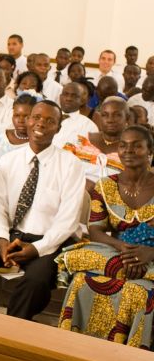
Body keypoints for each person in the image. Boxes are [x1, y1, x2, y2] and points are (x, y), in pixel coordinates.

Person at [0, 101, 86, 320]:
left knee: (35, 282)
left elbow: (67, 221)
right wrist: (1, 240)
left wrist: (36, 248)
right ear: (28, 121)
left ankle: (13, 328)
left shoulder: (70, 165)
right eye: (36, 117)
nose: (41, 124)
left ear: (58, 128)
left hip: (50, 241)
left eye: (50, 121)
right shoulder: (9, 161)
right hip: (11, 235)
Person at [58, 126, 154, 349]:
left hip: (150, 255)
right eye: (123, 145)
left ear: (150, 151)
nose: (128, 150)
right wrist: (124, 249)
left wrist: (149, 253)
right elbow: (96, 230)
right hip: (118, 253)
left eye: (137, 146)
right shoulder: (105, 185)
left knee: (139, 291)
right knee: (81, 280)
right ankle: (72, 348)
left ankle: (130, 359)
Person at [63, 96, 127, 192]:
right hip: (72, 195)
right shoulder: (78, 142)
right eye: (105, 115)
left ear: (127, 118)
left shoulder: (133, 151)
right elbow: (60, 172)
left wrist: (96, 187)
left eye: (117, 115)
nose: (110, 120)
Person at [52, 82, 99, 148]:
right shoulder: (47, 117)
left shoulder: (90, 127)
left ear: (81, 101)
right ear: (60, 97)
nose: (69, 98)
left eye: (74, 96)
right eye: (66, 94)